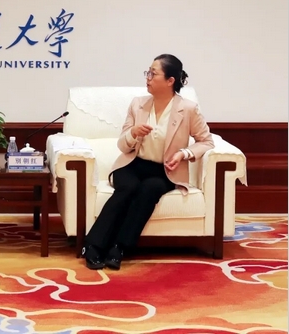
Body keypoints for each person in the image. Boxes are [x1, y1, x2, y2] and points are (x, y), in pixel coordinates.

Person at [82, 54, 214, 270]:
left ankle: (119, 247)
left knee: (149, 190)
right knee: (128, 188)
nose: (148, 78)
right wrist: (133, 133)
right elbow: (123, 146)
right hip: (132, 164)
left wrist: (183, 154)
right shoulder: (138, 105)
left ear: (170, 81)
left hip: (164, 171)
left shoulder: (188, 109)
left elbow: (206, 141)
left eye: (153, 74)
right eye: (148, 72)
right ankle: (93, 246)